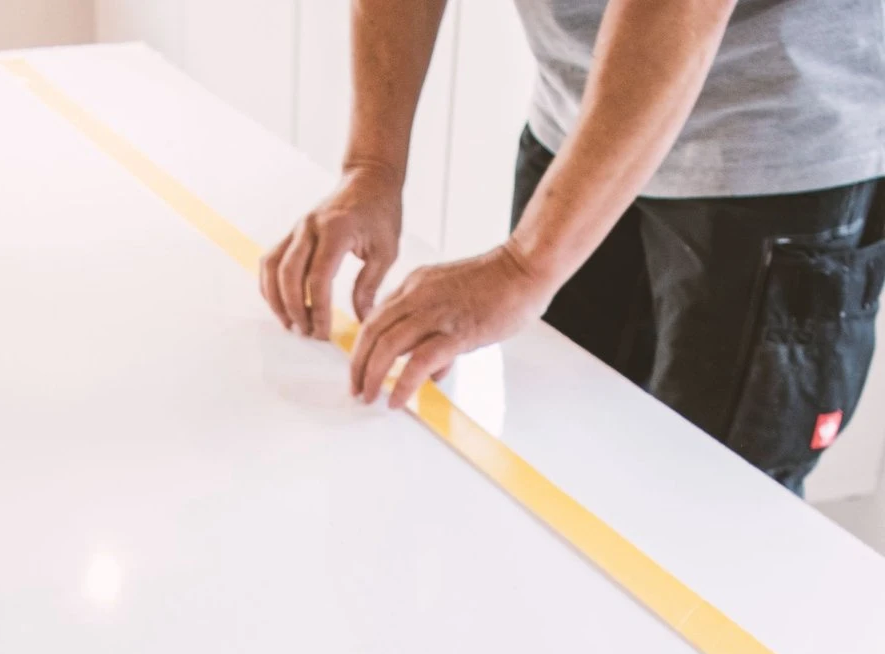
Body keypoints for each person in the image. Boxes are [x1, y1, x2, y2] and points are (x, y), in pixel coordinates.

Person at [260, 0, 885, 495]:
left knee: (708, 519)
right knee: (558, 471)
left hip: (774, 161)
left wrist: (526, 265)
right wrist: (372, 168)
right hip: (577, 124)